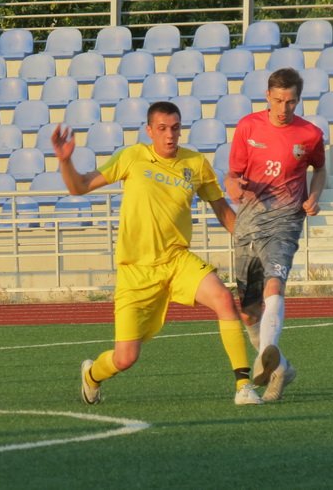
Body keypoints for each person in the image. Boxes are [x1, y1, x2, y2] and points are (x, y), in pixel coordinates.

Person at [51, 101, 268, 406]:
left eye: (175, 128)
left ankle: (243, 386)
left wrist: (250, 243)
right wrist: (65, 161)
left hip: (177, 260)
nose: (170, 135)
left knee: (222, 298)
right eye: (163, 129)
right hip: (136, 271)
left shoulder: (196, 163)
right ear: (149, 130)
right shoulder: (132, 156)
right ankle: (92, 375)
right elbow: (80, 187)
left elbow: (221, 208)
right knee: (125, 358)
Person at [224, 68, 326, 402]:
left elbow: (319, 169)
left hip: (285, 221)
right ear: (268, 96)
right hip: (249, 222)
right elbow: (232, 174)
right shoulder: (248, 127)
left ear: (298, 99)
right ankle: (280, 366)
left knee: (274, 283)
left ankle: (266, 353)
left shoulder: (310, 134)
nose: (284, 108)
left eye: (291, 101)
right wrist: (232, 186)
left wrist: (314, 196)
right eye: (279, 100)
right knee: (248, 311)